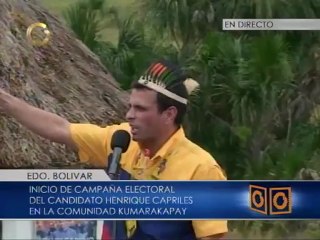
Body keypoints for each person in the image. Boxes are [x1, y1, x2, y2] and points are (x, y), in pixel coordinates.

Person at [0, 59, 228, 240]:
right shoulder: (121, 141)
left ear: (169, 114)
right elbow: (61, 129)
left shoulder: (201, 169)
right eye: (130, 106)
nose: (129, 115)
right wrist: (8, 103)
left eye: (140, 109)